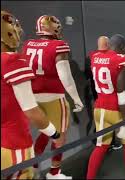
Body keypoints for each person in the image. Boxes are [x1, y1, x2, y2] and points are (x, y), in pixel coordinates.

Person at [1, 10, 63, 179]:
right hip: (14, 143)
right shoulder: (13, 61)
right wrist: (55, 134)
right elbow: (31, 110)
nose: (19, 31)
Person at [21, 15, 84, 179]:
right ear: (53, 28)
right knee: (60, 135)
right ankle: (54, 172)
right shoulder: (58, 45)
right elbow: (66, 78)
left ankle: (33, 168)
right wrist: (76, 98)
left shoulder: (28, 44)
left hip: (33, 98)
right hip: (54, 98)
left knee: (46, 130)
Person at [86, 34, 125, 179]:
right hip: (117, 109)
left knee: (101, 147)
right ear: (123, 47)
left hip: (99, 108)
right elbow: (121, 92)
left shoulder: (95, 57)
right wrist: (124, 120)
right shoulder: (122, 60)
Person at [85, 36, 123, 151]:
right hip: (111, 94)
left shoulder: (92, 56)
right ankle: (112, 142)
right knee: (115, 118)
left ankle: (102, 142)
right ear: (108, 44)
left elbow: (87, 74)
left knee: (100, 119)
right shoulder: (113, 57)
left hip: (97, 93)